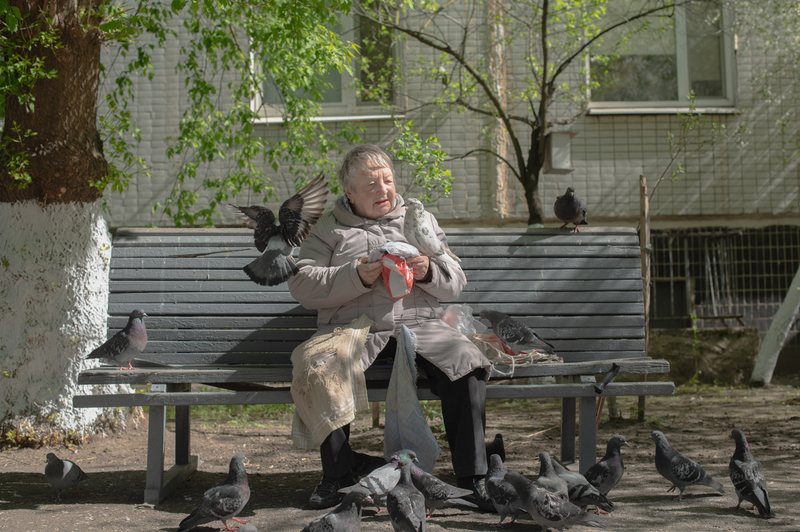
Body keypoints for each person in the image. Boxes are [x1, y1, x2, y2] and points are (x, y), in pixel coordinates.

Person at [287, 144, 495, 511]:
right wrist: (355, 274)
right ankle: (336, 476)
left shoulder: (417, 219)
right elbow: (302, 285)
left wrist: (427, 271)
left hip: (419, 324)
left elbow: (455, 280)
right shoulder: (328, 228)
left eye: (387, 180)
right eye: (371, 184)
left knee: (466, 360)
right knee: (321, 367)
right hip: (354, 329)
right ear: (349, 192)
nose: (383, 190)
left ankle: (473, 479)